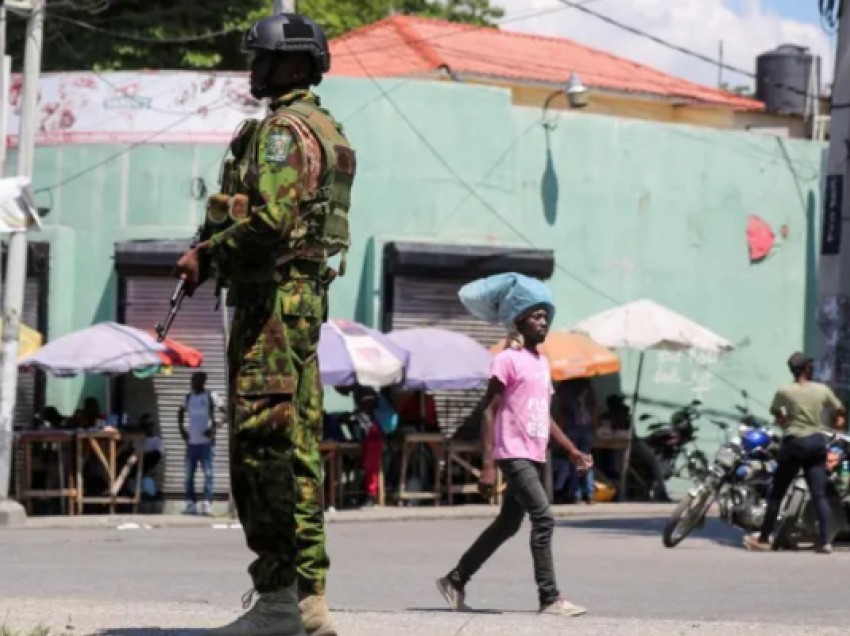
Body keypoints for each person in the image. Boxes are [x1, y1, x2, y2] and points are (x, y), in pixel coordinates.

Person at [175, 12, 354, 635]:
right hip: (300, 302)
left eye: (264, 60)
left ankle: (279, 599)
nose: (254, 70)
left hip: (271, 305)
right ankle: (308, 604)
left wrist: (207, 254)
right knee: (298, 448)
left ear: (298, 65)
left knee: (261, 450)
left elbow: (273, 220)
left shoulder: (282, 132)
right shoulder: (325, 127)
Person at [436, 302, 593, 618]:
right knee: (544, 518)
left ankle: (455, 579)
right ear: (519, 324)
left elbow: (543, 416)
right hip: (512, 452)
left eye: (546, 317)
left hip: (534, 453)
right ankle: (549, 598)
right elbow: (489, 411)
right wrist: (488, 464)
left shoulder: (542, 363)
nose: (543, 322)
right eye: (536, 317)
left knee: (507, 524)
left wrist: (571, 450)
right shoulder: (506, 360)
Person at [744, 352, 846, 554]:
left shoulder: (785, 391)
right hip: (816, 443)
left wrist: (783, 419)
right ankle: (826, 542)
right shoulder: (822, 390)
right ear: (807, 368)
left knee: (777, 494)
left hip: (793, 444)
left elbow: (776, 412)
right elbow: (840, 409)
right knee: (819, 495)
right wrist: (839, 421)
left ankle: (764, 538)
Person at [177, 372, 220, 516]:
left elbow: (226, 413)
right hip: (192, 443)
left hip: (206, 443)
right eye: (192, 380)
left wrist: (215, 427)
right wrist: (182, 429)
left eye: (195, 380)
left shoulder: (210, 396)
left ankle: (207, 503)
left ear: (203, 381)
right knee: (189, 475)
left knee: (208, 474)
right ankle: (191, 503)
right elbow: (180, 412)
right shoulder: (189, 397)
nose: (192, 382)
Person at [561, 379, 597, 504]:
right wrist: (594, 426)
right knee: (586, 460)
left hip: (572, 428)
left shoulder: (565, 387)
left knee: (574, 462)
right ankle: (589, 493)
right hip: (585, 427)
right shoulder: (586, 387)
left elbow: (563, 410)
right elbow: (593, 408)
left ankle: (576, 495)